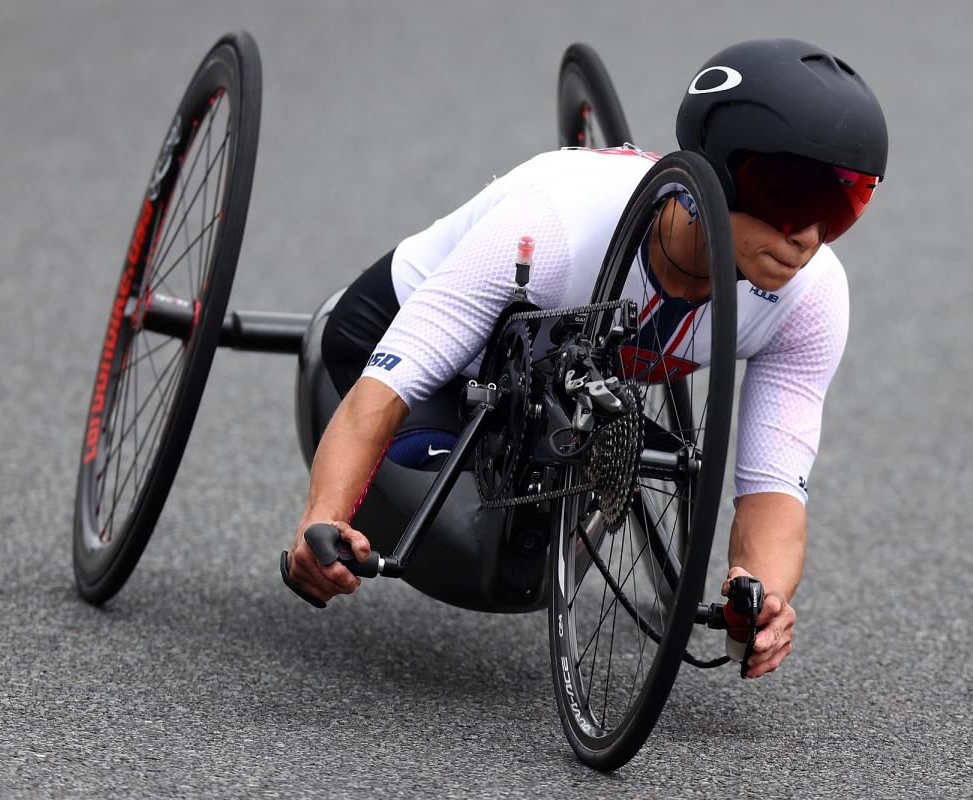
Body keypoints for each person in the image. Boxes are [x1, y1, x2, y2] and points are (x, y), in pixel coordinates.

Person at [283, 38, 888, 678]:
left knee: (529, 542)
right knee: (478, 558)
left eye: (840, 206)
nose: (808, 237)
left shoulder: (813, 297)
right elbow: (384, 390)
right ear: (716, 170)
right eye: (789, 194)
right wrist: (321, 518)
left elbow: (774, 486)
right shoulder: (555, 229)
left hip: (546, 381)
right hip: (396, 353)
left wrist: (761, 591)